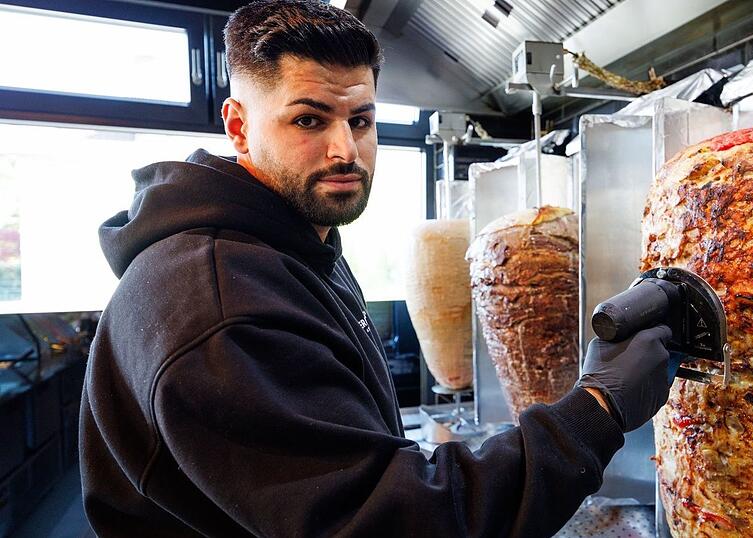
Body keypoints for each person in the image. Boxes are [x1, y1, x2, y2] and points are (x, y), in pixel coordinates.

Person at [79, 1, 676, 536]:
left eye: (361, 121)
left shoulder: (291, 246)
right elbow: (392, 521)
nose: (345, 150)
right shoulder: (221, 303)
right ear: (239, 126)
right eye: (309, 120)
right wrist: (596, 410)